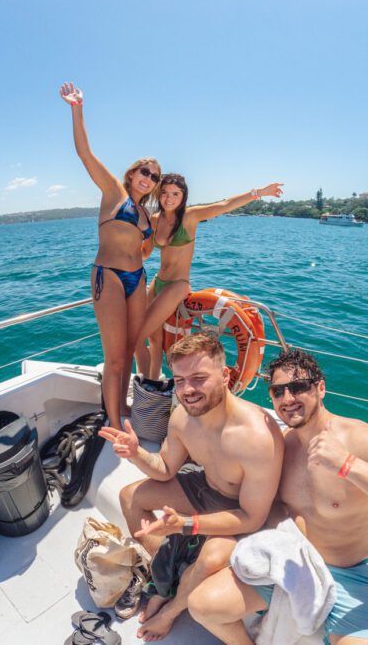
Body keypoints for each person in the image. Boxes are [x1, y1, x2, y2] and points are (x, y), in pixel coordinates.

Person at [188, 348, 368, 645]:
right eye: (278, 391)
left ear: (320, 388)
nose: (287, 399)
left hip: (355, 576)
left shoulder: (358, 438)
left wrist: (349, 465)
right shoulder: (283, 446)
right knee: (203, 606)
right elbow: (261, 504)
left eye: (299, 387)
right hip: (296, 566)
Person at [99, 332, 284, 640]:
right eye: (180, 380)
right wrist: (136, 454)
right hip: (205, 488)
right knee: (130, 496)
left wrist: (186, 525)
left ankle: (172, 610)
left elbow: (252, 517)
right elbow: (165, 468)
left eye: (199, 378)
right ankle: (173, 576)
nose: (187, 390)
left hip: (241, 512)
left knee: (210, 560)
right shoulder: (183, 417)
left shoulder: (256, 437)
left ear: (225, 376)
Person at [59, 81, 161, 432]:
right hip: (111, 277)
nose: (149, 178)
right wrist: (77, 108)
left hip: (138, 279)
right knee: (115, 359)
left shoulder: (148, 216)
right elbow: (85, 153)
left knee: (133, 348)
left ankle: (123, 411)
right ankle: (114, 424)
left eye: (155, 176)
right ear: (132, 174)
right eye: (144, 171)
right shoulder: (113, 192)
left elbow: (146, 250)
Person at [134, 175, 284, 380]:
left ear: (183, 196)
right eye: (165, 193)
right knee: (154, 340)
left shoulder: (190, 216)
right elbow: (144, 253)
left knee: (137, 334)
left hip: (178, 285)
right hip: (157, 283)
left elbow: (224, 205)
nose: (169, 198)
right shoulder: (154, 219)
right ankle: (151, 383)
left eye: (175, 194)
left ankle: (146, 381)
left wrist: (259, 192)